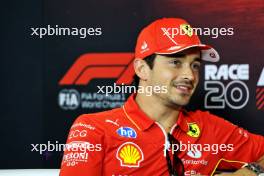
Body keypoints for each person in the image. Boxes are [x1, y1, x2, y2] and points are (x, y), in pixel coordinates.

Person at [59, 18, 264, 176]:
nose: (189, 75)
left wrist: (250, 171)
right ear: (142, 69)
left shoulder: (211, 128)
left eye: (195, 65)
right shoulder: (93, 129)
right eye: (176, 62)